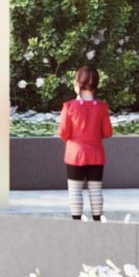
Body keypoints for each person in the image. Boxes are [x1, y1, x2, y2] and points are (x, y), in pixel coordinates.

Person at [57, 65, 113, 221]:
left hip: (74, 155)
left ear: (77, 85)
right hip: (96, 155)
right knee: (95, 191)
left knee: (75, 190)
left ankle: (76, 220)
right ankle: (97, 220)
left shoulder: (69, 107)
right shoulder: (102, 107)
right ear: (96, 86)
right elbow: (107, 132)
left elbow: (63, 132)